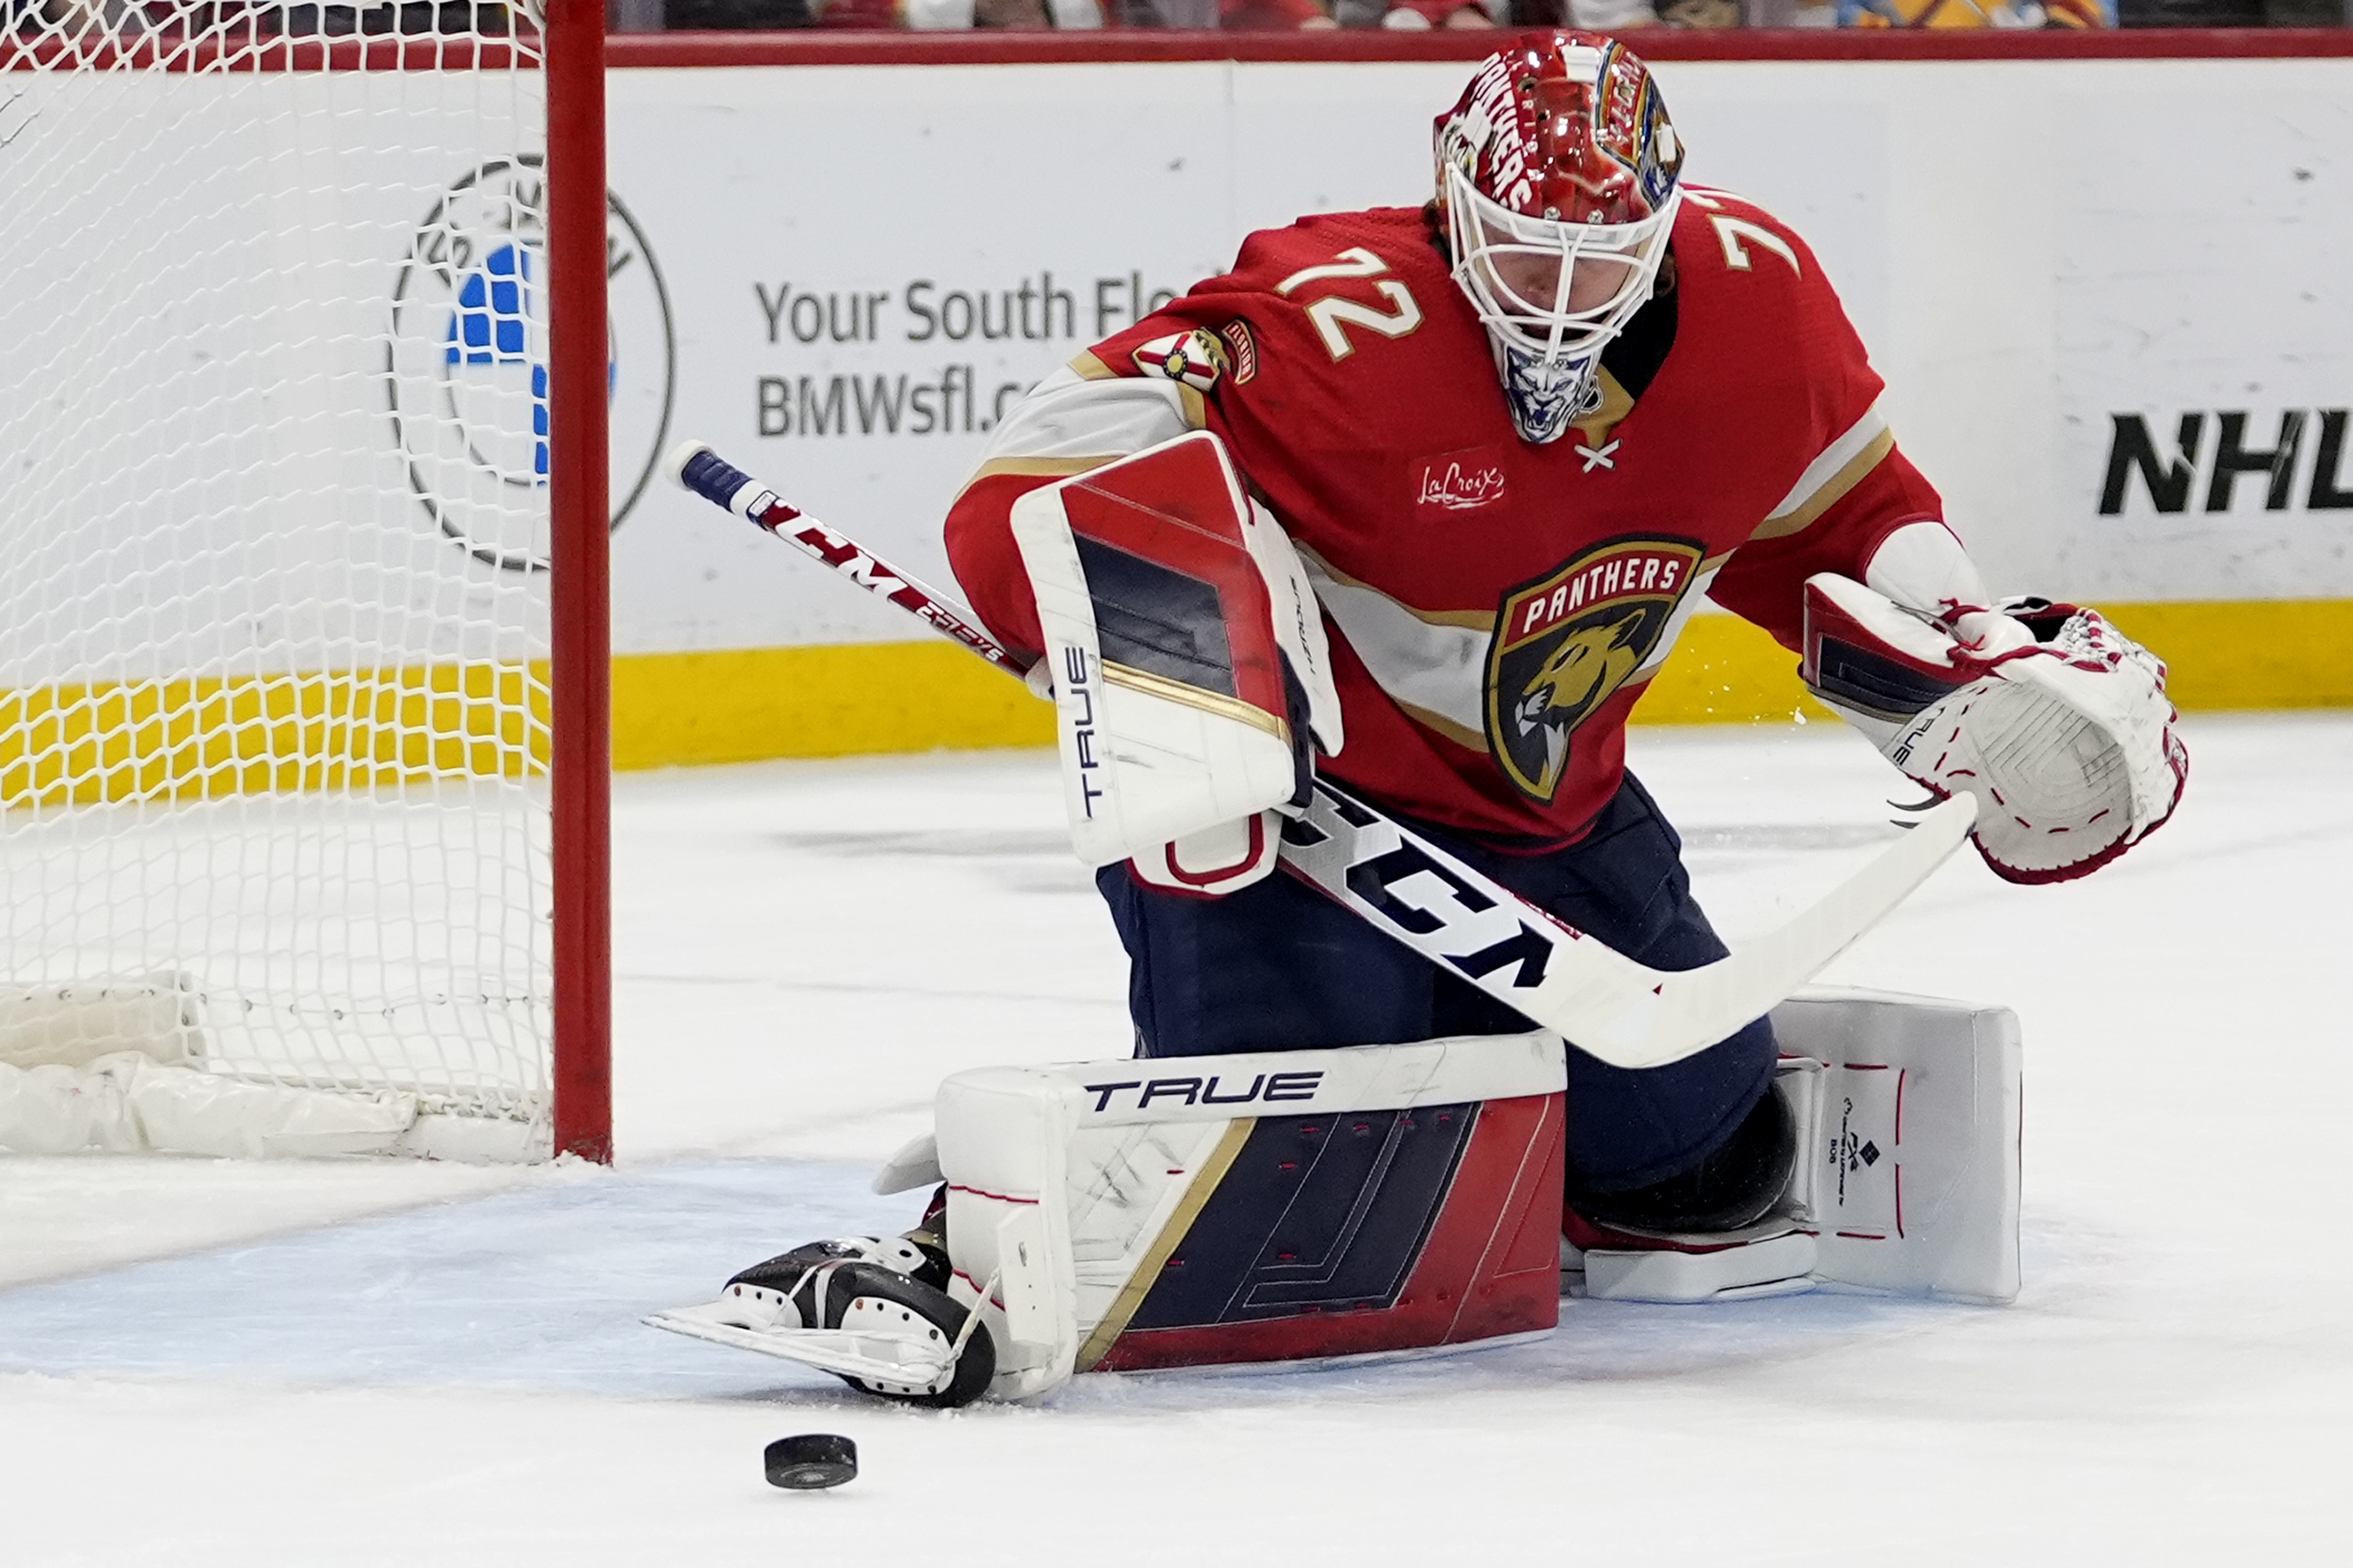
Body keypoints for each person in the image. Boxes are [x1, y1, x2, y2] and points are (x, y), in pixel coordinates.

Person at [687, 30, 2185, 1404]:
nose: (1555, 302)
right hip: (1290, 825)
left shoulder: (1758, 298)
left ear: (1667, 225)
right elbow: (1026, 482)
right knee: (1284, 1207)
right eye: (1522, 257)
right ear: (1449, 202)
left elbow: (1834, 514)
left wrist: (1971, 631)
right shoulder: (1329, 316)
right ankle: (965, 1240)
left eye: (1599, 265)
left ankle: (1483, 1082)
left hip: (1555, 822)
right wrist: (1179, 678)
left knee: (1706, 1177)